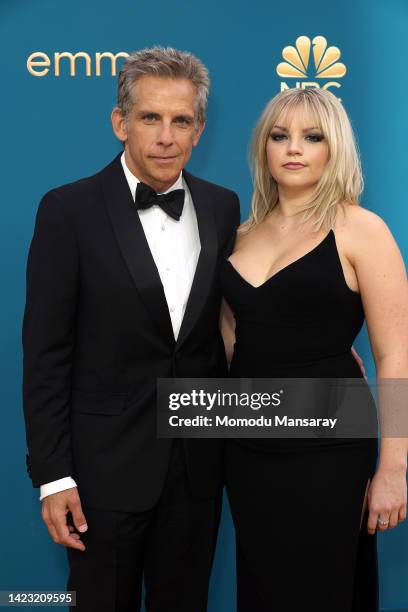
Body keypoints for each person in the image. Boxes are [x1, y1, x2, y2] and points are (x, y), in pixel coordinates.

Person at [22, 46, 240, 612]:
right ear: (121, 122)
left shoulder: (222, 207)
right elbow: (45, 355)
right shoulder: (68, 210)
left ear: (199, 130)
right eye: (151, 118)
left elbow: (230, 326)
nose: (166, 136)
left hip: (197, 468)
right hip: (102, 474)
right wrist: (53, 478)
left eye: (181, 121)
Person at [219, 87, 408, 611]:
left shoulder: (362, 230)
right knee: (263, 587)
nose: (294, 148)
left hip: (329, 445)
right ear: (264, 148)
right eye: (280, 136)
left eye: (312, 137)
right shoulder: (238, 236)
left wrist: (394, 467)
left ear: (335, 148)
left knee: (321, 589)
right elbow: (233, 341)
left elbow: (396, 356)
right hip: (248, 443)